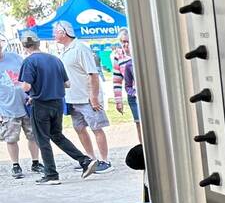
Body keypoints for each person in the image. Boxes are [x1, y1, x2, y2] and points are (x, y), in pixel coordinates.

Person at [18, 32, 98, 184]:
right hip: (57, 103)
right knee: (57, 135)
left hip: (40, 104)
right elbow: (67, 84)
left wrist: (29, 91)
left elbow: (26, 85)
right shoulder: (55, 59)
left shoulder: (29, 61)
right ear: (38, 43)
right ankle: (85, 161)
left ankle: (51, 174)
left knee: (42, 139)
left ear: (25, 46)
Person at [54, 21, 111, 173]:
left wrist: (93, 96)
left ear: (63, 32)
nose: (54, 34)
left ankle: (105, 161)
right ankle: (90, 159)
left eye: (56, 31)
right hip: (72, 99)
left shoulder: (80, 48)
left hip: (87, 98)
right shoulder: (64, 51)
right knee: (79, 128)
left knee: (96, 128)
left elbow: (92, 74)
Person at [0, 40, 41, 179]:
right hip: (7, 108)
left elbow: (29, 75)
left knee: (33, 135)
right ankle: (15, 165)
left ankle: (36, 162)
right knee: (11, 138)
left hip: (26, 104)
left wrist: (32, 94)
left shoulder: (15, 57)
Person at [112, 27, 141, 143]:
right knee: (139, 123)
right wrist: (118, 100)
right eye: (123, 41)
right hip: (133, 95)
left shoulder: (141, 51)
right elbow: (117, 80)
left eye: (128, 41)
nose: (126, 44)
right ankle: (143, 149)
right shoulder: (117, 55)